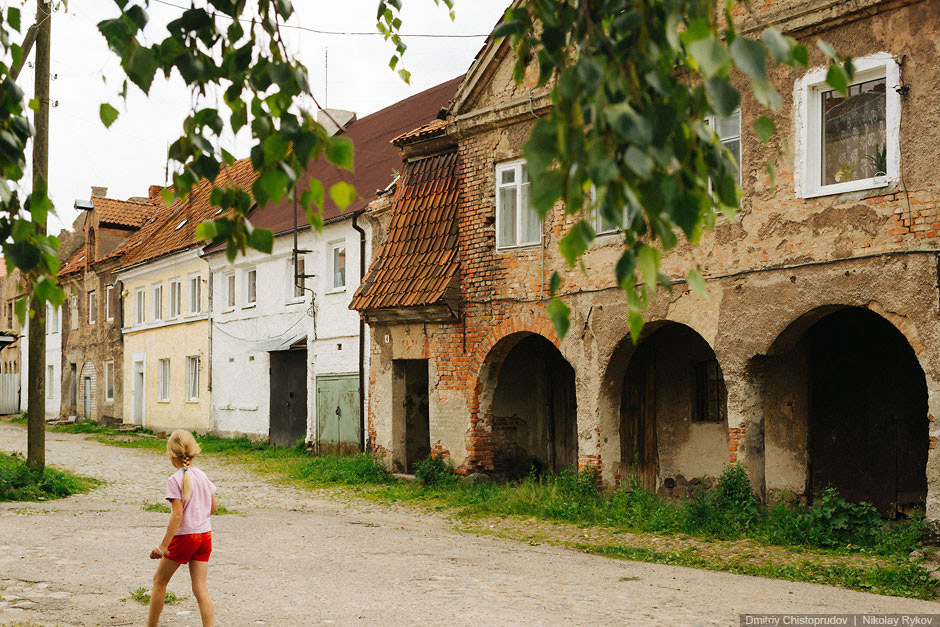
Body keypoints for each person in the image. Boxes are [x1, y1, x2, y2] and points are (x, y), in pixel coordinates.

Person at [147, 430, 217, 627]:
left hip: (185, 538)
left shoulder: (174, 479)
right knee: (200, 588)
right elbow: (213, 508)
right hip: (205, 536)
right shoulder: (202, 475)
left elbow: (177, 515)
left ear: (171, 454)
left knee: (159, 582)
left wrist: (163, 546)